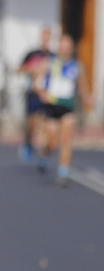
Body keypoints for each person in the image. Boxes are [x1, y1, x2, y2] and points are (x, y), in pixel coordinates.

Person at [36, 32, 90, 185]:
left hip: (67, 107)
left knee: (66, 140)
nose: (65, 49)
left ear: (71, 48)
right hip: (51, 107)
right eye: (62, 46)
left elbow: (82, 86)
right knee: (52, 142)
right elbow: (36, 81)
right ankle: (44, 153)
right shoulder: (49, 63)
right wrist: (42, 92)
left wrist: (86, 97)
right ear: (58, 47)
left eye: (68, 47)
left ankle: (63, 171)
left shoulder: (76, 66)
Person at [20, 29, 55, 163]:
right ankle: (28, 141)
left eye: (48, 37)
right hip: (33, 93)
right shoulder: (32, 54)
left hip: (47, 95)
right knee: (31, 123)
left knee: (45, 125)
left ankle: (42, 153)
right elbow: (20, 68)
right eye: (43, 37)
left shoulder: (53, 56)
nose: (45, 40)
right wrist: (30, 69)